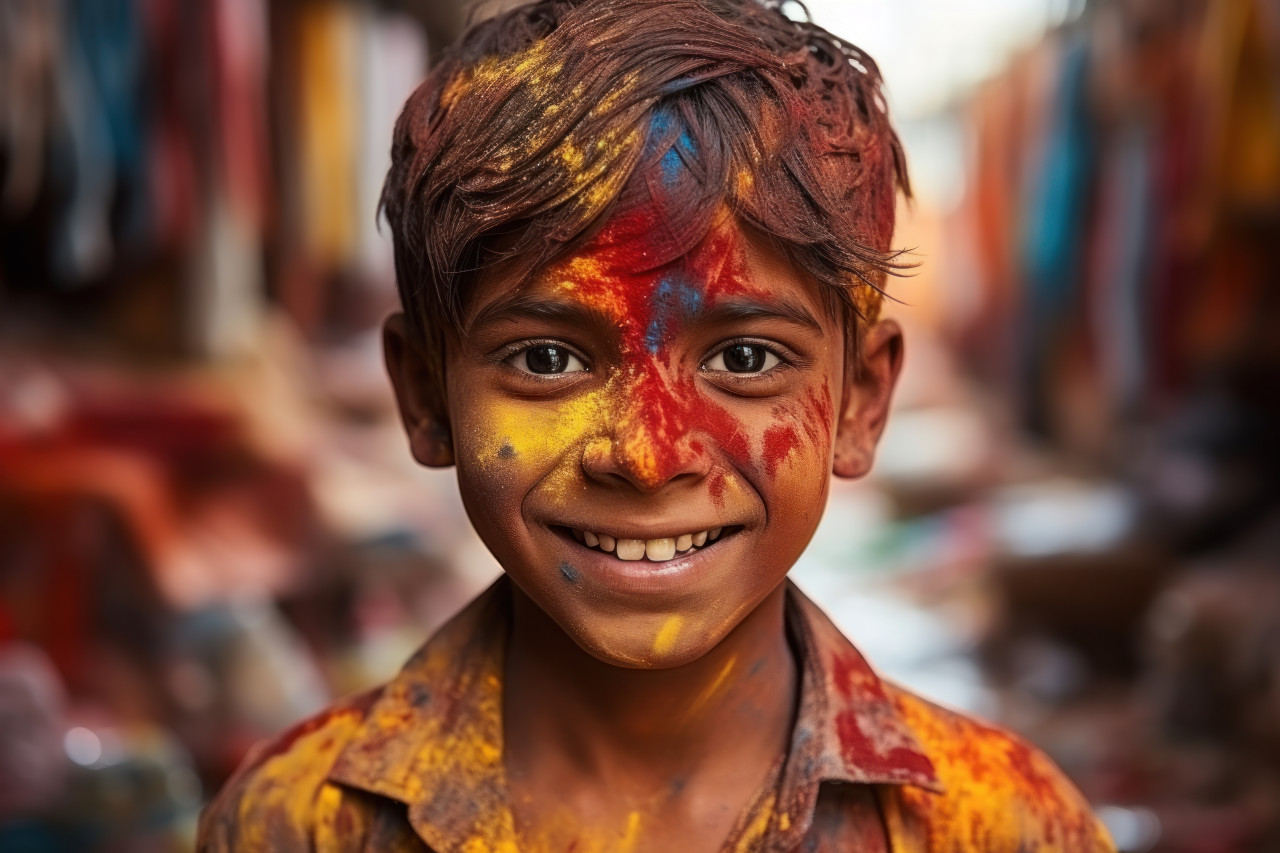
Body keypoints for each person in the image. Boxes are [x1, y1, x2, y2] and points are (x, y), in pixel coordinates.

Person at [198, 0, 1116, 850]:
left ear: (862, 401)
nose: (647, 456)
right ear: (426, 396)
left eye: (747, 359)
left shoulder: (1003, 825)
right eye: (548, 359)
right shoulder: (292, 823)